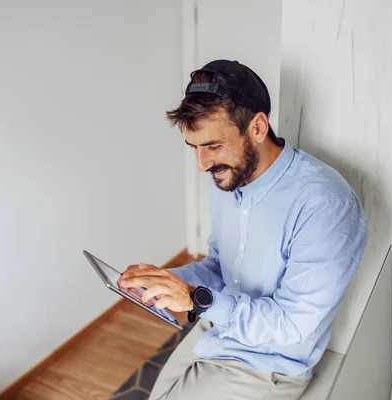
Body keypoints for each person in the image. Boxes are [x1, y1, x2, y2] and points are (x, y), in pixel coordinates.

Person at [118, 59, 368, 399]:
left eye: (213, 146)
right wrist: (164, 283)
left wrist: (195, 300)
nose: (202, 164)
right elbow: (219, 268)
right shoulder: (226, 178)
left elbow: (292, 324)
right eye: (195, 148)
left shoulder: (325, 204)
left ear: (258, 127)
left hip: (269, 366)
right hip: (217, 332)